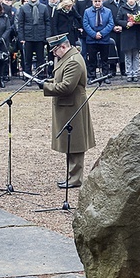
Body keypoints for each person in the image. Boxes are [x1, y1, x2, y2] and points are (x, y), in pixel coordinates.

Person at [39, 34, 96, 189]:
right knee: (70, 143)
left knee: (75, 143)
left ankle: (75, 178)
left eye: (55, 50)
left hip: (73, 106)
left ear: (63, 47)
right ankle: (72, 176)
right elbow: (60, 80)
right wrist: (47, 82)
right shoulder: (68, 58)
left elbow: (66, 86)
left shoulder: (73, 62)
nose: (53, 53)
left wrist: (45, 87)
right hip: (67, 106)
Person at [16, 0, 51, 77]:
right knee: (27, 59)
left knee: (40, 59)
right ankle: (28, 77)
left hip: (40, 37)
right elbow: (20, 24)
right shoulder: (24, 8)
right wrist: (22, 38)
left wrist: (47, 36)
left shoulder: (43, 8)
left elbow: (47, 23)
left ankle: (41, 76)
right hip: (28, 37)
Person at [82, 0, 114, 84]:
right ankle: (92, 76)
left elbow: (110, 24)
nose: (97, 3)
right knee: (92, 59)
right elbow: (85, 24)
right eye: (95, 1)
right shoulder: (87, 12)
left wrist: (102, 33)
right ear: (92, 1)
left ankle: (105, 76)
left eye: (99, 1)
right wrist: (94, 34)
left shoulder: (108, 11)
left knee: (104, 59)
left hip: (104, 39)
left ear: (102, 1)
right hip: (91, 40)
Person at [116, 0, 140, 82]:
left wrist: (139, 22)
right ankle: (129, 73)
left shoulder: (139, 9)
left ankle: (135, 73)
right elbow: (118, 20)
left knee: (136, 55)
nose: (131, 0)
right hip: (126, 34)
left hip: (136, 34)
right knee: (128, 55)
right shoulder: (122, 8)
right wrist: (126, 23)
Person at [104, 0, 126, 77]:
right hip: (111, 30)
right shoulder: (106, 4)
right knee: (111, 49)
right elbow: (105, 18)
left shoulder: (125, 3)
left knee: (122, 49)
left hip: (123, 30)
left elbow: (127, 16)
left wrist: (122, 26)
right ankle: (112, 69)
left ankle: (123, 69)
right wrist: (112, 27)